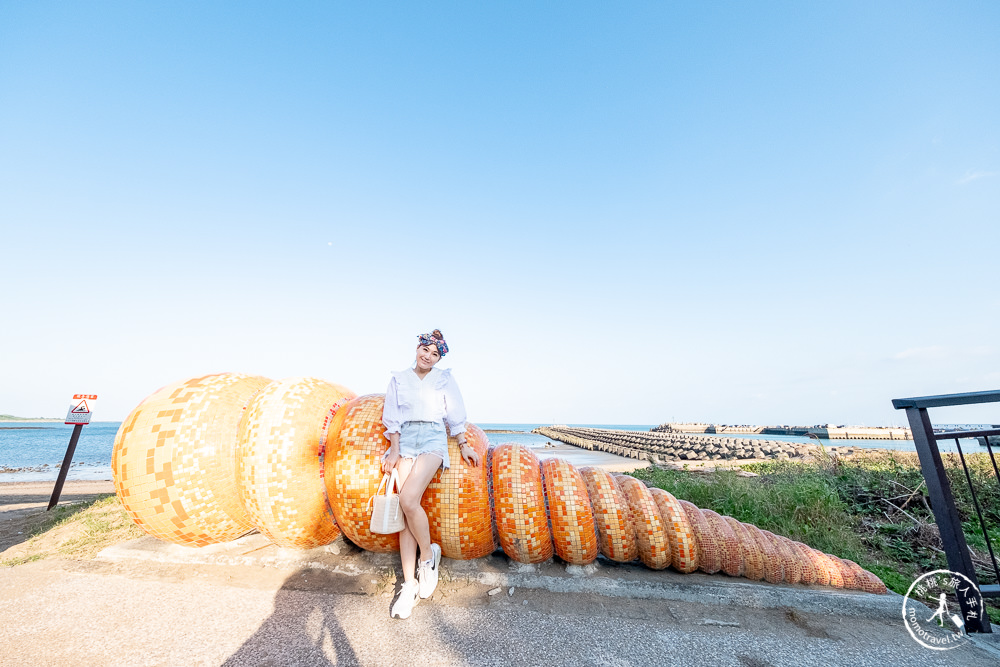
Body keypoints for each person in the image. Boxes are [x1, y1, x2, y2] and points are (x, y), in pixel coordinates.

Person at [381, 329, 480, 619]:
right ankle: (409, 585)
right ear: (417, 348)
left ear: (439, 358)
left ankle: (428, 556)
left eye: (435, 354)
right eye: (425, 350)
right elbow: (393, 416)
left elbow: (454, 413)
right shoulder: (399, 378)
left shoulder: (444, 378)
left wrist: (463, 444)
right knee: (405, 515)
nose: (428, 356)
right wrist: (395, 449)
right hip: (406, 438)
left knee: (408, 499)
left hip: (433, 438)